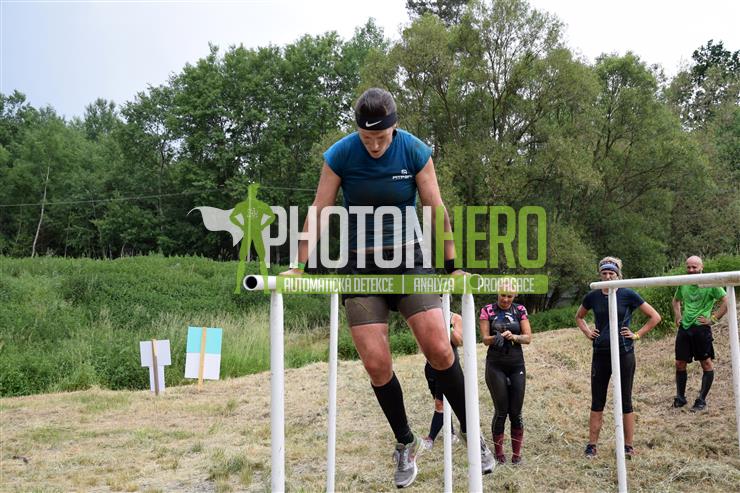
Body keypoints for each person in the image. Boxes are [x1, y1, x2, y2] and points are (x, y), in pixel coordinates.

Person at [281, 88, 494, 488]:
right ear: (357, 132)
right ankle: (405, 442)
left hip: (409, 260)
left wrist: (452, 266)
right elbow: (320, 209)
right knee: (376, 363)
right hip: (360, 266)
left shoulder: (413, 150)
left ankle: (471, 430)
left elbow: (435, 207)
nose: (375, 145)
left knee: (439, 346)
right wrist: (299, 264)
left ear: (394, 128)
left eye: (381, 137)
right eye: (367, 138)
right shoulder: (341, 155)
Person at [575, 257, 661, 458]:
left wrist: (636, 334)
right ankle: (592, 445)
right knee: (598, 400)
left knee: (625, 400)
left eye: (611, 273)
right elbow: (579, 316)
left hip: (624, 352)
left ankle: (628, 446)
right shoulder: (593, 295)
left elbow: (655, 317)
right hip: (601, 353)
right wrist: (588, 332)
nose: (607, 277)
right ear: (600, 275)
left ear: (617, 275)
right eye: (604, 273)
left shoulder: (627, 293)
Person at [479, 281, 532, 465]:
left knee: (516, 412)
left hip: (516, 364)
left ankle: (517, 454)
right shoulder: (487, 310)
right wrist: (497, 338)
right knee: (501, 411)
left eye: (509, 296)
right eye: (503, 295)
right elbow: (484, 339)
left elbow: (528, 337)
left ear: (514, 296)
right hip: (496, 365)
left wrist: (514, 336)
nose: (506, 299)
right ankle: (499, 453)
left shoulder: (520, 310)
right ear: (498, 293)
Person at [672, 255, 728, 412]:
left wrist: (713, 319)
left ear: (701, 267)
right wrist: (678, 316)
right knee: (680, 363)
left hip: (701, 328)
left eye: (694, 267)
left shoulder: (710, 282)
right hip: (685, 327)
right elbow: (676, 300)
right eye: (688, 267)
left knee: (706, 363)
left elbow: (726, 300)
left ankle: (701, 400)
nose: (691, 270)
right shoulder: (684, 282)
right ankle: (680, 398)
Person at [421, 311, 463, 451]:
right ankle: (451, 433)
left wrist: (448, 326)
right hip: (430, 367)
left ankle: (430, 438)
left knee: (440, 404)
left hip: (447, 367)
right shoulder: (428, 315)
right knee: (442, 402)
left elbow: (458, 341)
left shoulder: (455, 318)